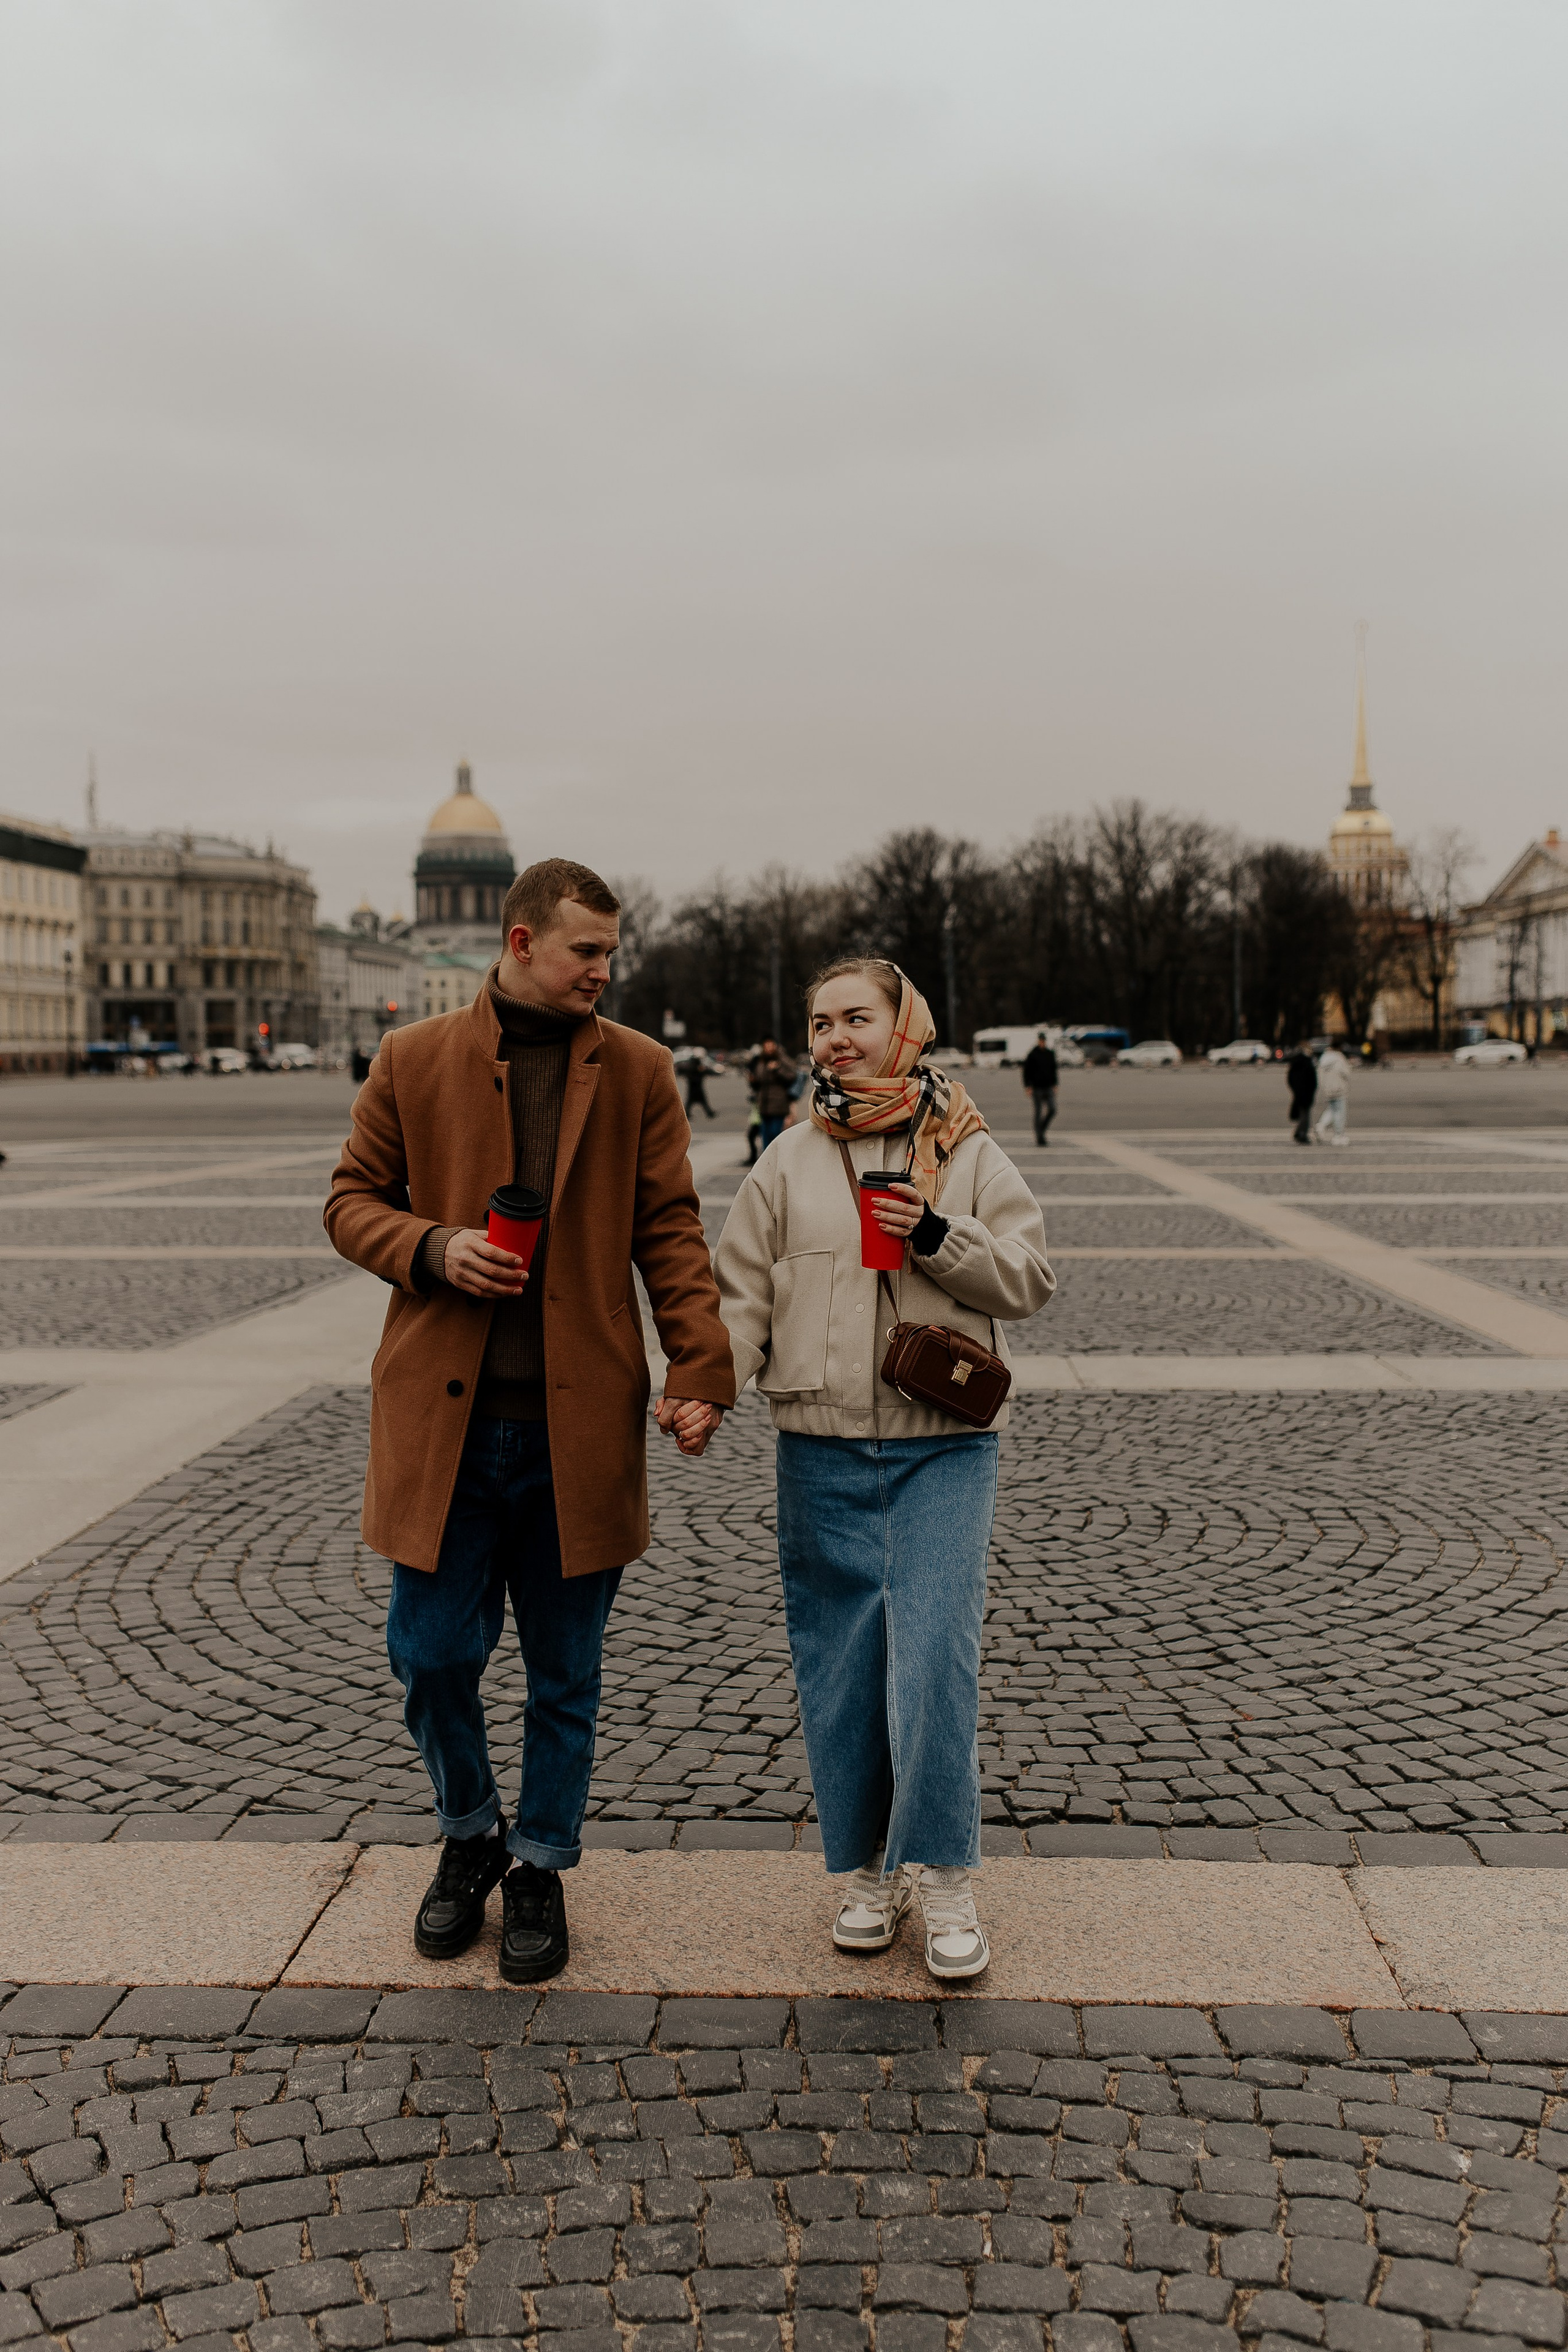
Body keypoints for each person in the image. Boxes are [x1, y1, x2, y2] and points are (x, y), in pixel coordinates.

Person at [325, 858, 734, 1984]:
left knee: (565, 1670)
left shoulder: (642, 1070)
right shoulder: (412, 1059)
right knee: (431, 1655)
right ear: (517, 942)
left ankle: (541, 1863)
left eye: (612, 951)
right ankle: (469, 1835)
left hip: (578, 1426)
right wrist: (431, 1246)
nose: (606, 969)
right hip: (442, 1430)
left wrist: (699, 1363)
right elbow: (349, 1200)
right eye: (585, 951)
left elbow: (671, 1230)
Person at [715, 957, 1052, 1981]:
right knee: (842, 1669)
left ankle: (944, 1871)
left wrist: (939, 1235)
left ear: (906, 1026)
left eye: (856, 1017)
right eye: (819, 1022)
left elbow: (1030, 1275)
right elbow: (740, 1298)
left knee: (933, 1660)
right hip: (816, 1449)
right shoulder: (786, 1159)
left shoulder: (965, 1144)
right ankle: (870, 1869)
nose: (833, 1038)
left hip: (941, 1447)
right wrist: (705, 1386)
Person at [749, 1039, 795, 1153]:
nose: (769, 1048)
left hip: (778, 1104)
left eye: (771, 1046)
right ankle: (767, 1159)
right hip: (763, 1104)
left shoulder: (782, 1059)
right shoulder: (760, 1061)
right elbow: (758, 1081)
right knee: (765, 1135)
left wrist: (777, 1070)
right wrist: (753, 1080)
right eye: (766, 1046)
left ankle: (778, 1157)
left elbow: (791, 1077)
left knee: (776, 1133)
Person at [1020, 1031, 1059, 1145]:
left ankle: (1041, 1129)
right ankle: (1040, 1137)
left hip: (1048, 1087)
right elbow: (1026, 1072)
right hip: (1037, 1088)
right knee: (1038, 1112)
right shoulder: (1033, 1054)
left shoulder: (1049, 1054)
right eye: (1041, 1040)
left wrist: (1055, 1084)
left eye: (1043, 1041)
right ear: (1039, 1041)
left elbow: (1053, 1070)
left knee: (1052, 1109)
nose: (1042, 1042)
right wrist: (1028, 1086)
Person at [1314, 1043, 1351, 1146]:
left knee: (1332, 1110)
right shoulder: (1339, 1058)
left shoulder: (1323, 1058)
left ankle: (1321, 1126)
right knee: (1340, 1112)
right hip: (1339, 1088)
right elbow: (1346, 1072)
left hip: (1328, 1089)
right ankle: (1338, 1136)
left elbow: (1319, 1075)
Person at [1287, 1047, 1317, 1145]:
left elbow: (1290, 1079)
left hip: (1299, 1092)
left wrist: (1295, 1089)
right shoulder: (1307, 1062)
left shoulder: (1295, 1063)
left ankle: (1299, 1133)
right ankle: (1302, 1134)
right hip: (1306, 1092)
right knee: (1305, 1115)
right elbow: (1313, 1079)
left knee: (1302, 1113)